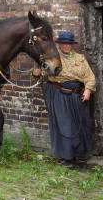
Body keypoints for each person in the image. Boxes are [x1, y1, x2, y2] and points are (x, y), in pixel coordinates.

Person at [34, 30, 96, 167]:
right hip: (59, 95)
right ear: (60, 44)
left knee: (80, 124)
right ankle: (66, 158)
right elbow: (40, 73)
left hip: (77, 95)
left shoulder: (80, 58)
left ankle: (80, 155)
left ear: (72, 45)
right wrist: (37, 72)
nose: (66, 46)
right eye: (63, 43)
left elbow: (90, 77)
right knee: (65, 125)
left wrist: (88, 89)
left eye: (69, 44)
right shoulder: (53, 58)